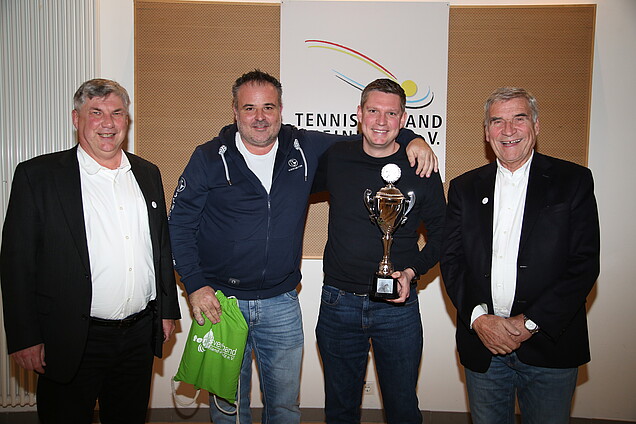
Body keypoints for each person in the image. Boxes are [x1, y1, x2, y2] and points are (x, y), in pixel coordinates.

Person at [168, 70, 438, 424]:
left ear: (281, 110)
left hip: (281, 304)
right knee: (228, 409)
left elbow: (377, 134)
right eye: (249, 108)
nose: (260, 117)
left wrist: (413, 137)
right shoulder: (208, 157)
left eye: (268, 107)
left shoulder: (305, 147)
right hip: (223, 302)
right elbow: (179, 224)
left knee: (285, 408)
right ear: (234, 111)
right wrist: (195, 284)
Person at [0, 79, 181, 424]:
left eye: (117, 113)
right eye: (96, 113)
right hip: (70, 338)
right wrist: (24, 338)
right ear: (76, 118)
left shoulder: (147, 173)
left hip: (138, 336)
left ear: (127, 120)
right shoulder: (38, 176)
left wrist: (167, 311)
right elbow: (16, 264)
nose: (108, 123)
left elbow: (160, 246)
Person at [440, 87, 600, 424]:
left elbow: (584, 263)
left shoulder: (573, 180)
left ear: (536, 126)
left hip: (550, 345)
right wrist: (479, 320)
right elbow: (452, 261)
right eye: (497, 121)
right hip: (483, 346)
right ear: (487, 132)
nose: (508, 130)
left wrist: (528, 323)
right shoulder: (463, 188)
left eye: (519, 118)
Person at [312, 79, 446, 424]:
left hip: (397, 309)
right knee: (340, 411)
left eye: (391, 114)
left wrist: (412, 272)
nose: (381, 121)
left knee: (403, 409)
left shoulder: (421, 167)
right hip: (339, 303)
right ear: (359, 114)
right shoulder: (337, 158)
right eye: (373, 111)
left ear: (403, 119)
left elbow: (444, 235)